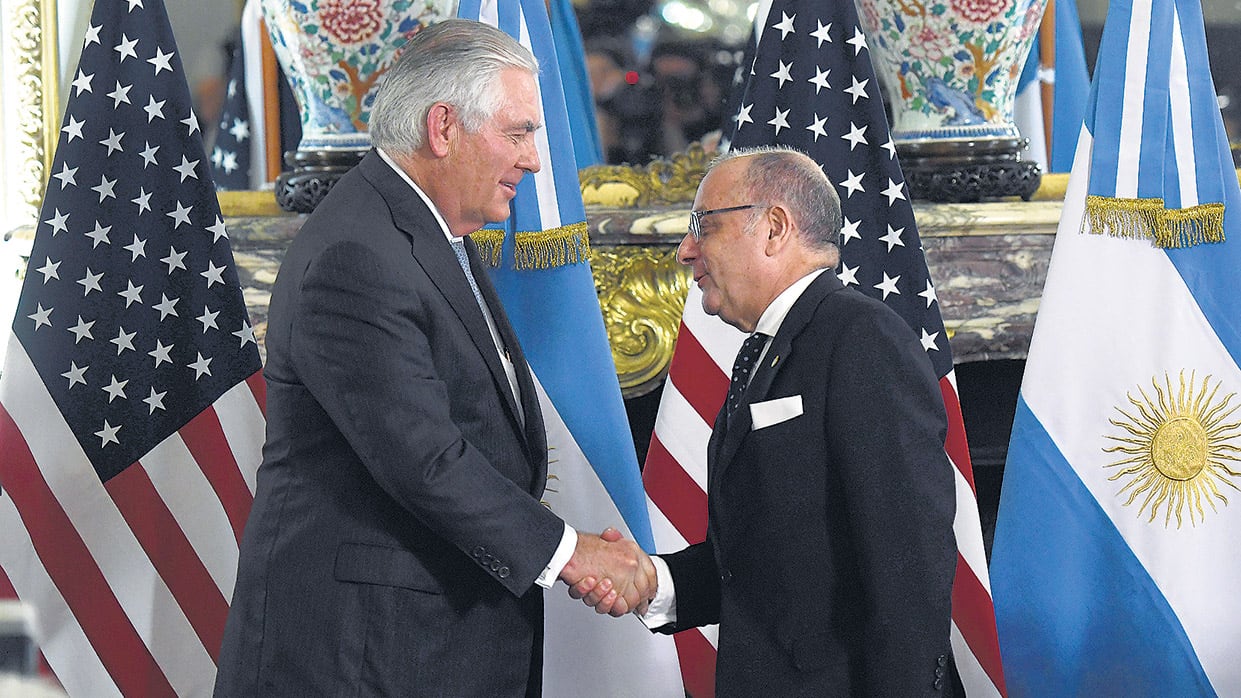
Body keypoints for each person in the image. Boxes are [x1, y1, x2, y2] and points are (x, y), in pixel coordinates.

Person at [215, 20, 655, 696]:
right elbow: (424, 461)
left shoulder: (434, 231)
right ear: (443, 127)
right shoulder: (357, 255)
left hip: (426, 640)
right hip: (361, 654)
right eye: (517, 133)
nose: (536, 161)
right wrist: (573, 554)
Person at [576, 147, 957, 695]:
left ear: (774, 228)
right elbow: (768, 562)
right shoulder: (769, 351)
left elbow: (908, 568)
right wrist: (652, 581)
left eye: (703, 226)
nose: (686, 250)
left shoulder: (860, 338)